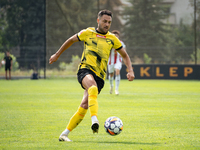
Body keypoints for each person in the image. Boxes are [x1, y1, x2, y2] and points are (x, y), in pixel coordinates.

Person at [49, 9, 135, 142]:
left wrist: (130, 70)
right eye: (104, 21)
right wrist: (57, 55)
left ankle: (64, 134)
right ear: (98, 20)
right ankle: (94, 119)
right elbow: (70, 40)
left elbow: (125, 55)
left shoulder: (112, 38)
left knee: (84, 105)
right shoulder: (88, 33)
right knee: (92, 88)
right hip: (85, 70)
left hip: (100, 77)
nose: (107, 24)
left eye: (109, 22)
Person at [108, 30, 125, 95]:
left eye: (117, 36)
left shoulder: (121, 43)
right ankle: (111, 85)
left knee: (117, 72)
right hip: (110, 61)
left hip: (118, 60)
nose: (116, 37)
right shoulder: (109, 43)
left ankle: (116, 89)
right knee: (111, 74)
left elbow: (124, 51)